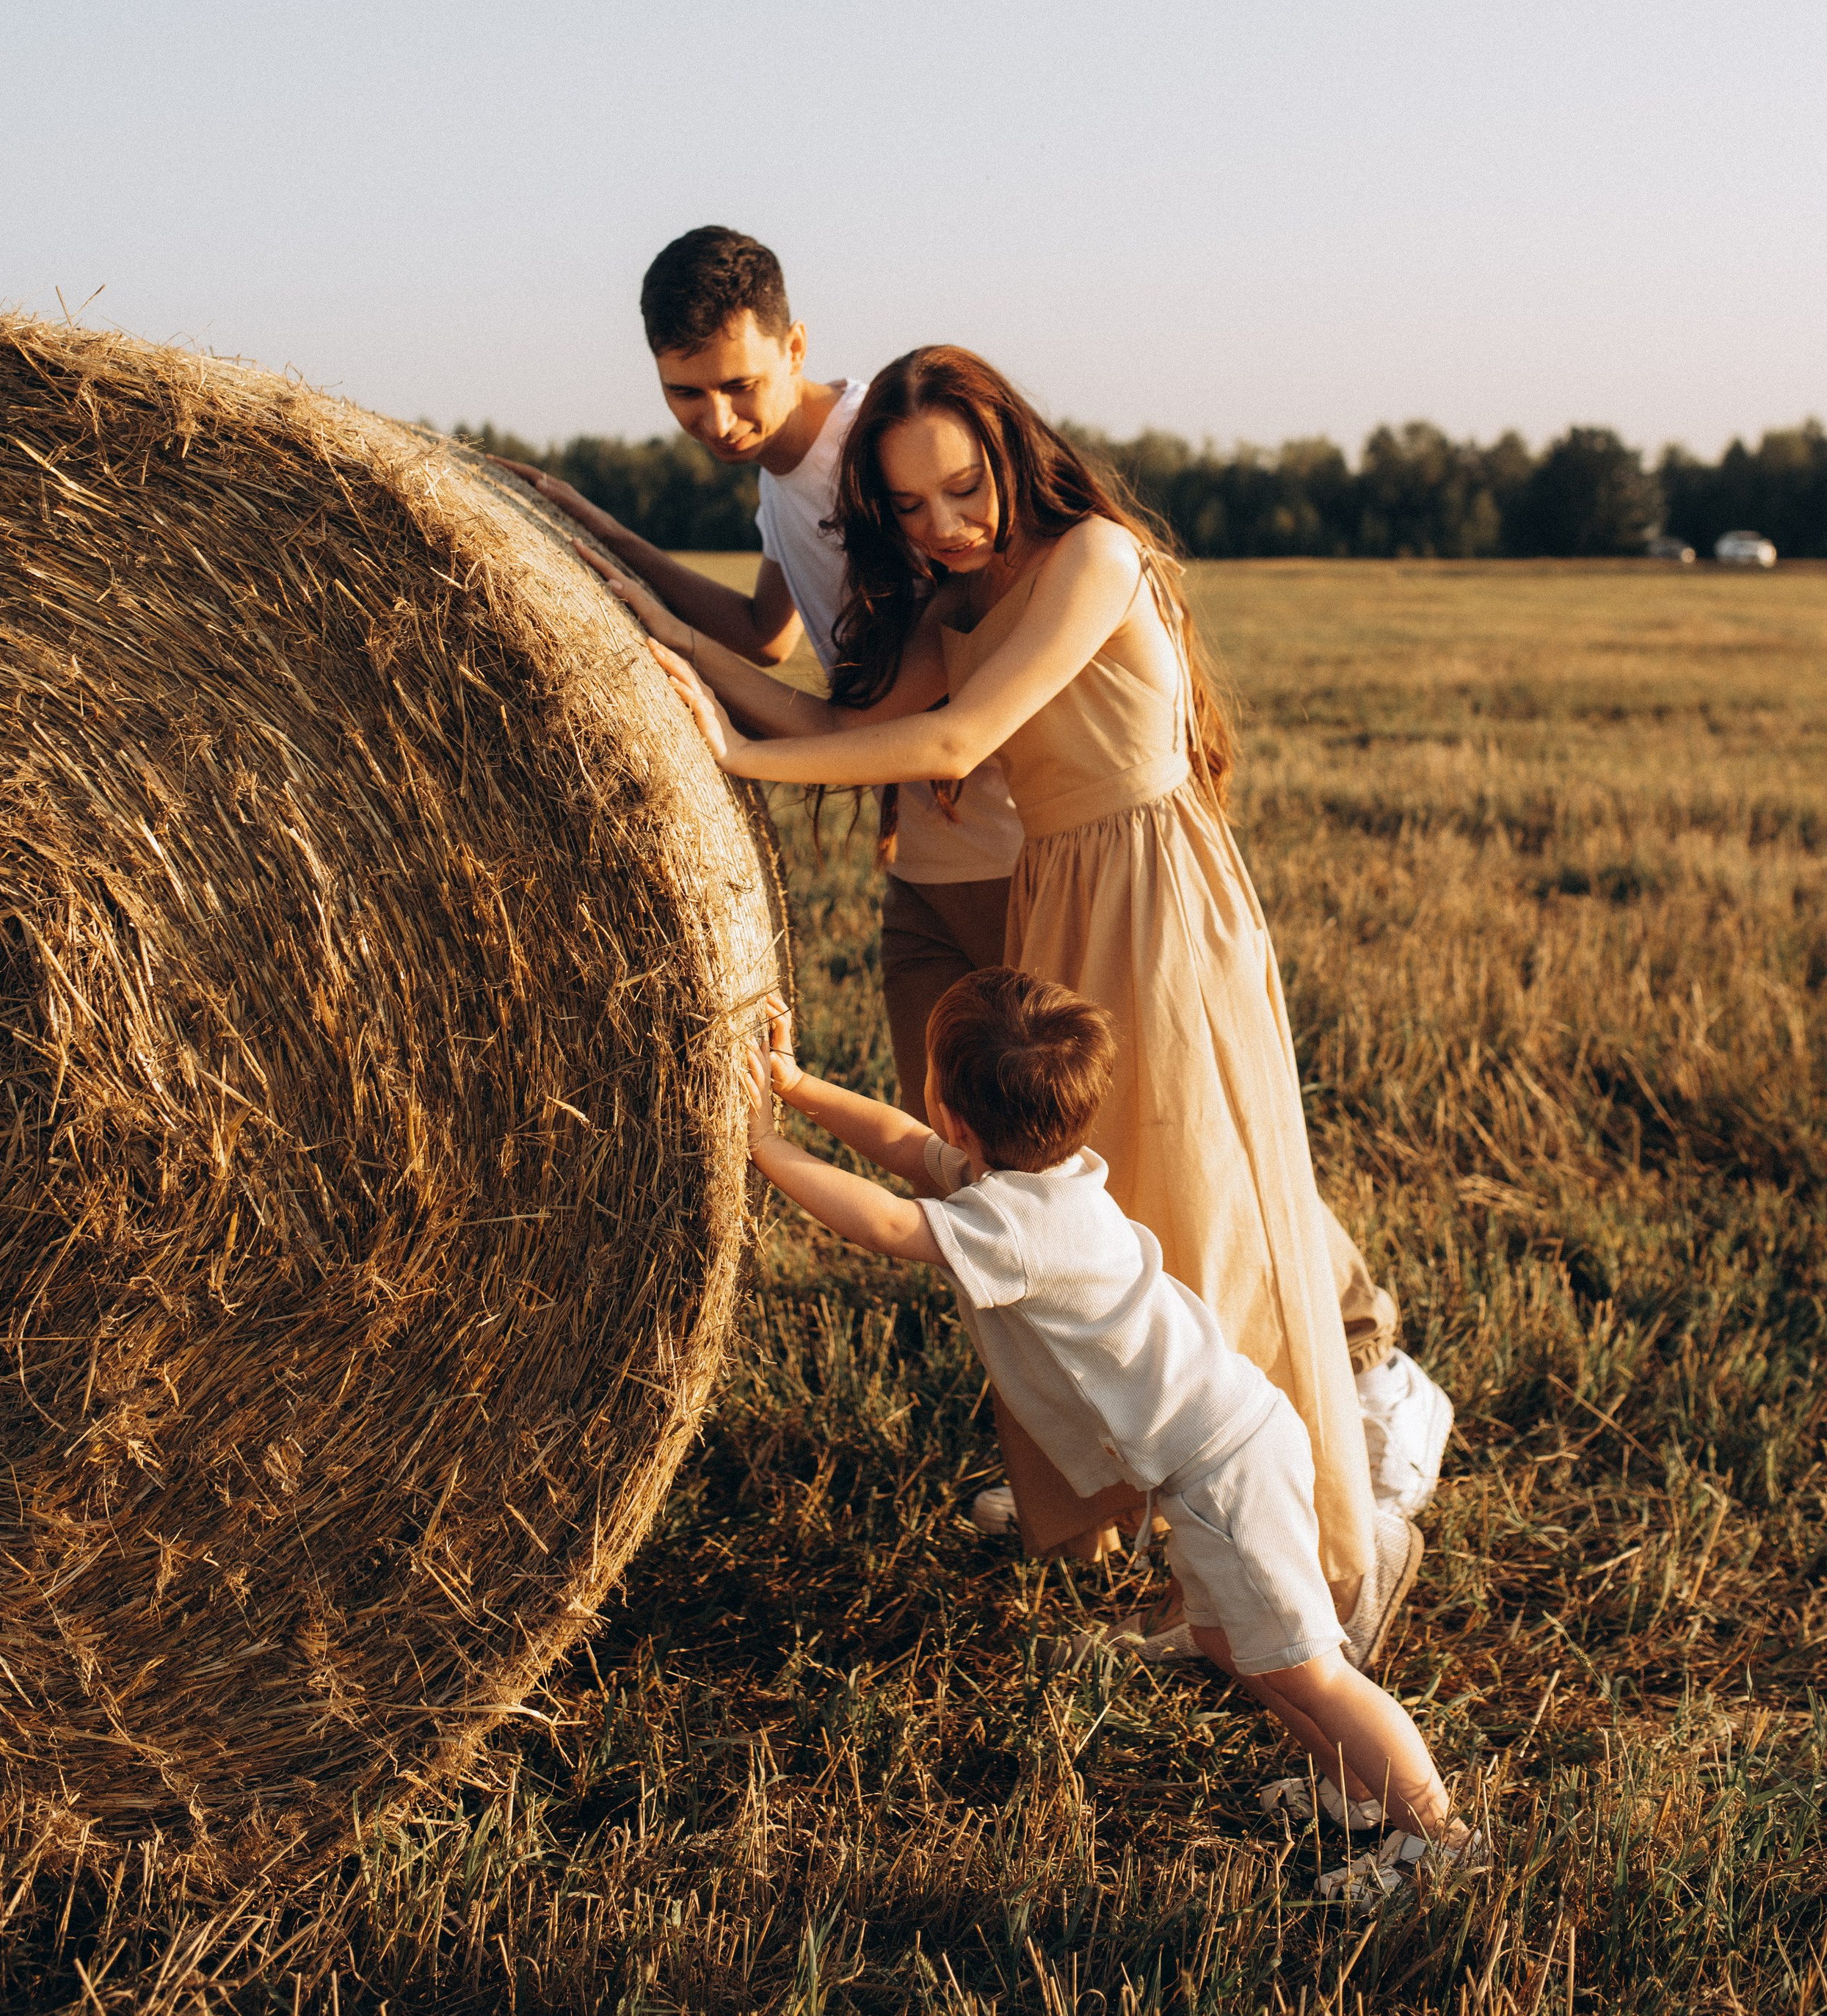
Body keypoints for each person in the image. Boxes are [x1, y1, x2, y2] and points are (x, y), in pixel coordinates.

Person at [504, 250, 1448, 1568]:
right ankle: (1141, 1501)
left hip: (1151, 892)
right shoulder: (951, 593)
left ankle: (1310, 1527)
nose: (943, 520)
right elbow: (831, 705)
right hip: (1061, 889)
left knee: (1197, 1197)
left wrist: (739, 759)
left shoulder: (1097, 554)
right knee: (1056, 1212)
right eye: (909, 506)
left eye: (962, 486)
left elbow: (957, 740)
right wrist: (644, 625)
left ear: (1013, 449)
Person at [739, 967, 1481, 1899]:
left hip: (1226, 1471)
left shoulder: (1015, 1227)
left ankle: (1440, 1840)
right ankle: (1354, 1787)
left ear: (955, 1106)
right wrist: (795, 1085)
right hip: (1217, 1456)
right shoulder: (1031, 1182)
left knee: (1315, 1668)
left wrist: (763, 1144)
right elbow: (904, 1146)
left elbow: (887, 1222)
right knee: (1232, 1646)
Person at [491, 226, 1024, 1123]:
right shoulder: (782, 480)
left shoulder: (879, 454)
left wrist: (723, 710)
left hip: (1008, 828)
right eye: (685, 394)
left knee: (1026, 1134)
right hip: (931, 837)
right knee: (953, 1129)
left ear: (795, 345)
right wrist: (602, 534)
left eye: (741, 385)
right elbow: (763, 630)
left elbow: (923, 668)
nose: (720, 420)